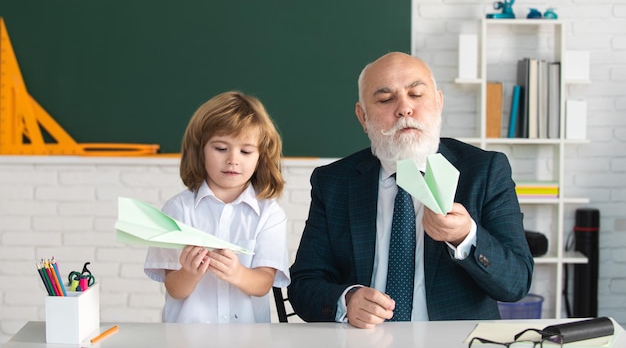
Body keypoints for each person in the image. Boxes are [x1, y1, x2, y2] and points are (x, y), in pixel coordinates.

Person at [287, 52, 534, 328]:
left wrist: (466, 237)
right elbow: (303, 285)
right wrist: (347, 300)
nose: (404, 108)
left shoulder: (485, 171)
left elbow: (517, 283)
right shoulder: (333, 182)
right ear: (363, 117)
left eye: (416, 94)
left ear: (438, 103)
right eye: (385, 99)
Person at [144, 91, 290, 323]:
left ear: (261, 157)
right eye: (221, 148)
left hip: (248, 339)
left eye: (245, 151)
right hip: (187, 339)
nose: (233, 159)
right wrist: (189, 273)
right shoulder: (177, 210)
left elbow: (263, 283)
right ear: (200, 150)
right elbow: (174, 288)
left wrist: (237, 273)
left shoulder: (269, 215)